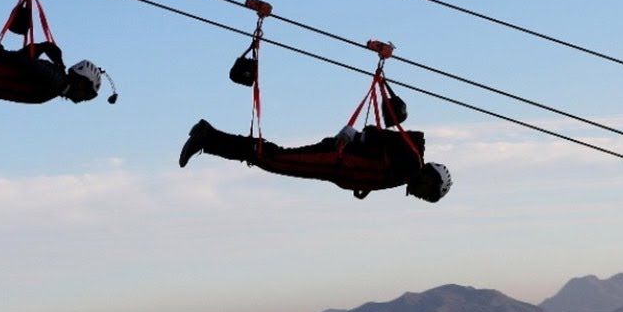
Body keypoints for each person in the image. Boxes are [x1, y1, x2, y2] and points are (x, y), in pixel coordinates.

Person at [178, 119, 452, 202]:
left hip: (333, 164)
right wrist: (350, 139)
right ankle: (208, 137)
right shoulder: (409, 162)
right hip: (333, 160)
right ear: (430, 178)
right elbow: (372, 136)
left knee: (273, 158)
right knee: (272, 158)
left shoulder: (405, 171)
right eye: (428, 194)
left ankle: (210, 139)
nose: (421, 197)